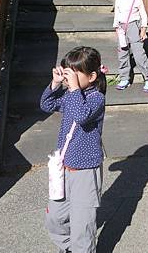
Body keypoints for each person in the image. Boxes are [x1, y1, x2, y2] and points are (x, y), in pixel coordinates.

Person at [40, 46, 107, 253]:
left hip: (86, 172)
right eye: (68, 71)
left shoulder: (96, 98)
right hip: (64, 169)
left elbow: (81, 115)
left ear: (92, 76)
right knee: (55, 218)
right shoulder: (71, 95)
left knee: (82, 227)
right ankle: (69, 248)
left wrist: (74, 89)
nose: (70, 76)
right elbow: (46, 104)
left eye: (74, 72)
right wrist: (56, 83)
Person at [113, 0, 148, 92]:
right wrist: (116, 28)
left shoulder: (137, 0)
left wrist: (143, 30)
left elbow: (144, 16)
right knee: (123, 54)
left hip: (134, 27)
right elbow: (117, 14)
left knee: (138, 54)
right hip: (121, 28)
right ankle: (124, 78)